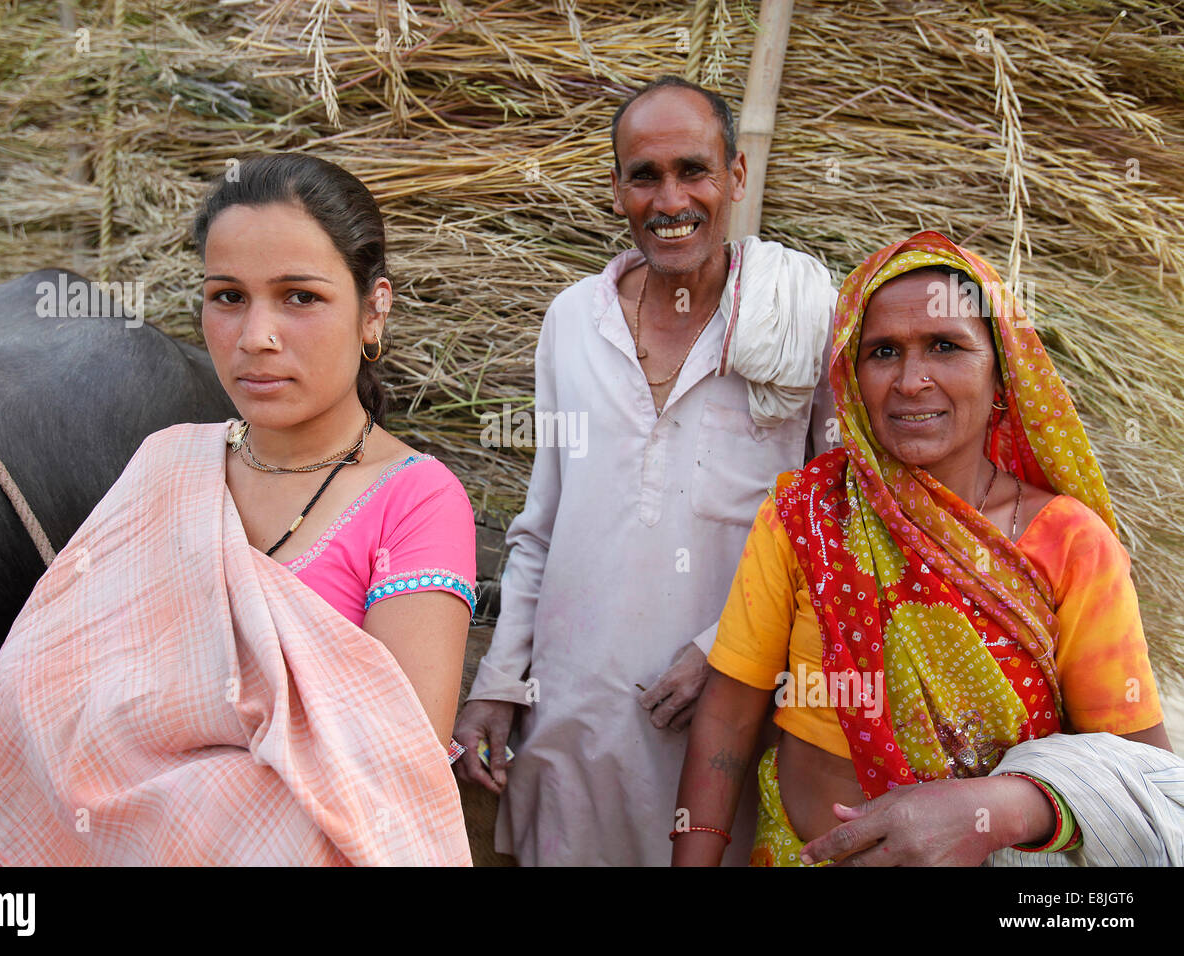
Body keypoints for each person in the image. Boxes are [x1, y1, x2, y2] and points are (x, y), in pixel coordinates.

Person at [0, 154, 475, 865]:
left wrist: (181, 803)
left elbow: (389, 772)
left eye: (300, 297)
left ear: (373, 310)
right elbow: (43, 697)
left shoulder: (416, 499)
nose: (256, 336)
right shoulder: (167, 468)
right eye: (229, 296)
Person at [673, 229, 1172, 867]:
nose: (911, 381)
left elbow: (1138, 780)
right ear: (852, 380)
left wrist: (997, 811)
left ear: (1001, 374)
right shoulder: (805, 516)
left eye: (945, 346)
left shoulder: (1071, 544)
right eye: (882, 351)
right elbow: (728, 715)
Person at [453, 76, 837, 865]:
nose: (671, 200)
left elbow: (831, 516)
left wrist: (726, 645)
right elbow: (544, 521)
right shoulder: (573, 321)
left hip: (725, 718)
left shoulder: (793, 315)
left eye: (693, 170)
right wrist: (498, 680)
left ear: (735, 175)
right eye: (644, 175)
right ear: (619, 188)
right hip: (573, 714)